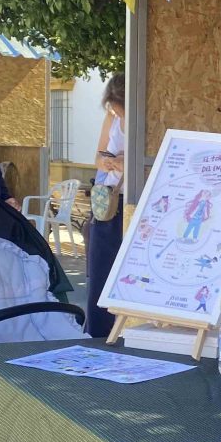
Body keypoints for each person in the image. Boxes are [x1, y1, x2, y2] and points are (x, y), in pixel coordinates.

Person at [83, 74, 125, 338]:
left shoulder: (147, 118)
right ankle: (97, 334)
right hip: (107, 201)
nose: (116, 112)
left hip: (133, 201)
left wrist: (127, 161)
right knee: (100, 273)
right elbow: (98, 156)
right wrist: (108, 161)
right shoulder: (112, 117)